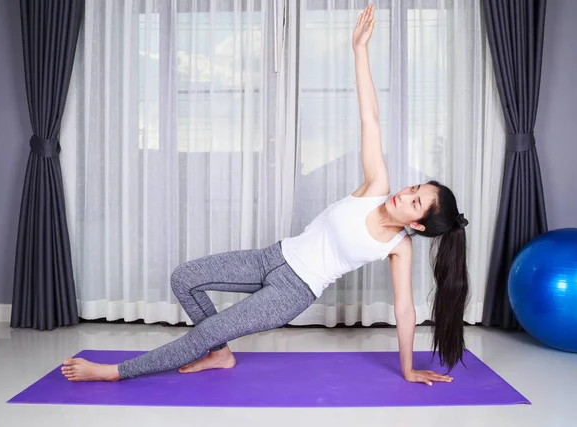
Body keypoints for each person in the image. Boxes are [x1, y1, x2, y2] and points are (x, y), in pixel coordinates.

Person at [61, 4, 468, 386]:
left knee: (211, 327)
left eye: (415, 201)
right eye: (414, 187)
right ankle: (219, 354)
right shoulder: (375, 186)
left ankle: (113, 372)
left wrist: (409, 368)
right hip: (270, 257)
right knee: (183, 278)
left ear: (416, 224)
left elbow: (404, 310)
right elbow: (370, 117)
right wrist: (359, 50)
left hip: (293, 291)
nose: (405, 193)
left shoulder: (399, 247)